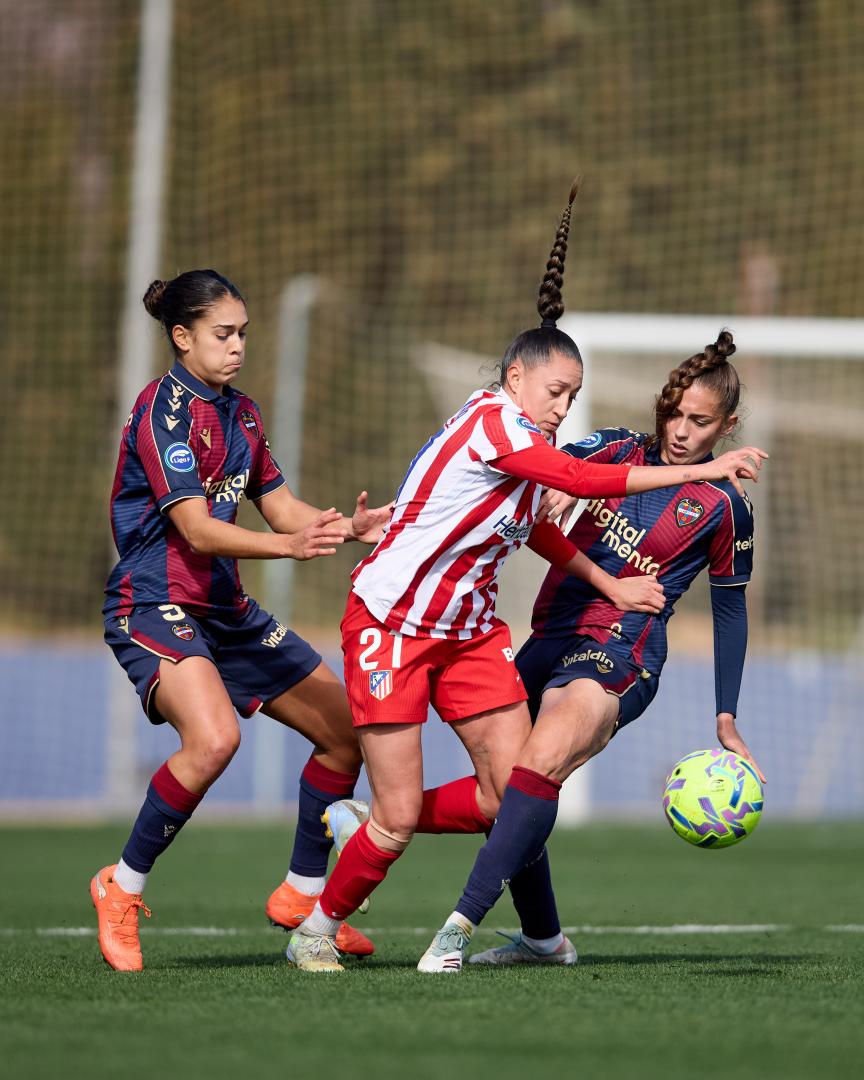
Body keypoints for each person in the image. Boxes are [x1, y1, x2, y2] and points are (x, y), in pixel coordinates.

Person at [285, 184, 767, 972]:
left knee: (514, 791)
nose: (561, 408)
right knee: (405, 813)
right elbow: (576, 487)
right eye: (554, 392)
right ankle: (323, 918)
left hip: (477, 632)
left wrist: (614, 592)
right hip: (394, 625)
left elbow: (537, 517)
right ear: (515, 376)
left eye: (571, 397)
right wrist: (709, 469)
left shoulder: (541, 443)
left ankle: (505, 928)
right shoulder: (498, 425)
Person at [418, 328, 768, 971]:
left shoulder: (724, 506)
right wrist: (548, 485)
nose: (681, 431)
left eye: (700, 421)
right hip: (547, 638)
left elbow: (730, 611)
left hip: (622, 651)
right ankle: (544, 939)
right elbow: (554, 464)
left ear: (728, 425)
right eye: (673, 413)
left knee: (539, 760)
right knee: (510, 790)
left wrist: (726, 714)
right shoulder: (610, 448)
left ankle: (454, 931)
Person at [92, 269, 391, 971]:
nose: (237, 348)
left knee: (347, 735)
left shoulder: (243, 414)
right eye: (223, 334)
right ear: (183, 335)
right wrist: (287, 546)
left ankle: (301, 893)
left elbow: (282, 508)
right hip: (151, 602)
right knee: (215, 739)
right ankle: (120, 886)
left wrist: (345, 526)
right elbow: (196, 531)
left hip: (224, 610)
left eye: (243, 335)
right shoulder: (161, 414)